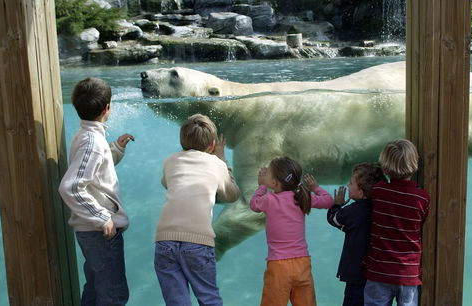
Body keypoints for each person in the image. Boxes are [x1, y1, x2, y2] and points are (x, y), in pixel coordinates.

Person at [58, 77, 135, 306]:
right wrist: (102, 217)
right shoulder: (92, 141)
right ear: (107, 108)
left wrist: (116, 149)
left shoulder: (89, 137)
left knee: (95, 290)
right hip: (100, 232)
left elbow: (96, 175)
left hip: (93, 230)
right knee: (114, 295)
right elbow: (70, 186)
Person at [155, 113, 240, 306]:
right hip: (198, 243)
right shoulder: (216, 163)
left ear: (182, 141)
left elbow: (167, 183)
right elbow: (232, 195)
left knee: (177, 301)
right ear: (212, 145)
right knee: (208, 297)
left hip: (165, 240)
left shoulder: (170, 161)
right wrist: (222, 160)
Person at [249, 156, 334, 306]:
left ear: (274, 183)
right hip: (302, 263)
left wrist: (261, 186)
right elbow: (328, 201)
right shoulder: (302, 197)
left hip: (278, 266)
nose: (264, 173)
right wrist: (315, 188)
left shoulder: (269, 200)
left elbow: (254, 204)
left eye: (267, 172)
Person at [362, 139, 430, 306]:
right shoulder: (422, 198)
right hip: (408, 273)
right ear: (415, 166)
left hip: (379, 270)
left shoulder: (378, 191)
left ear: (385, 168)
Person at [326, 162, 385, 306]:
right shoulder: (381, 208)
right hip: (377, 274)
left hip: (356, 274)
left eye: (351, 183)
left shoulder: (354, 211)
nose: (347, 185)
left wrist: (337, 205)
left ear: (361, 192)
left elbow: (333, 218)